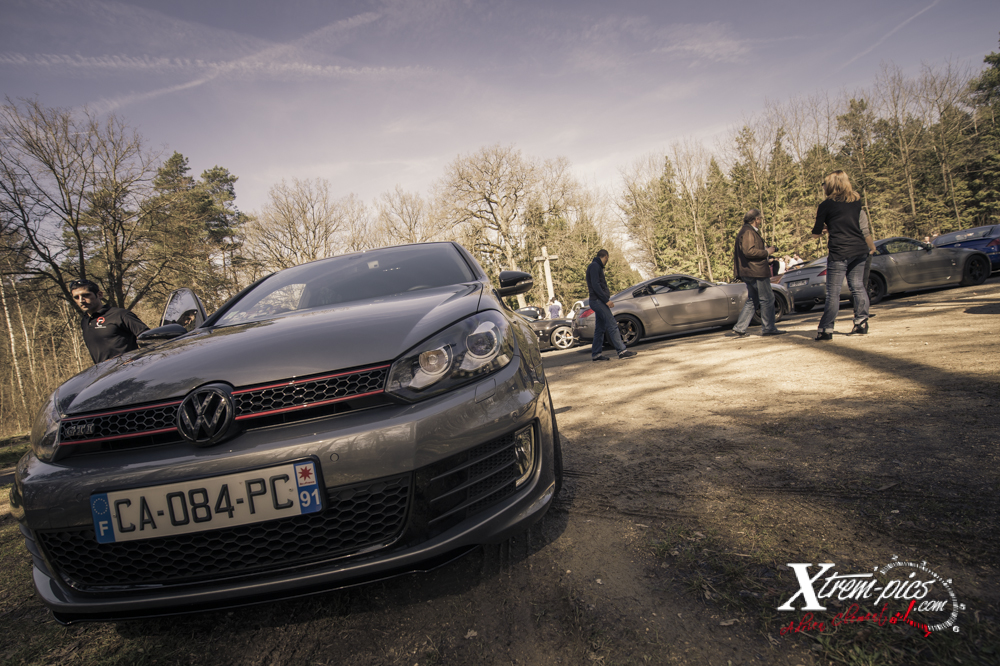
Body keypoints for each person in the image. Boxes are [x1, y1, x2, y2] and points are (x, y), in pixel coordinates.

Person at [811, 171, 877, 340]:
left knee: (833, 292)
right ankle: (861, 322)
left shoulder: (826, 205)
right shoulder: (855, 201)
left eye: (825, 184)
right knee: (858, 286)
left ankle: (826, 329)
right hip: (859, 249)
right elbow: (854, 224)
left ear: (831, 185)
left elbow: (816, 233)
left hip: (840, 251)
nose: (823, 187)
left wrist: (825, 230)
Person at [731, 210, 785, 337]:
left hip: (749, 271)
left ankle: (740, 327)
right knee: (768, 298)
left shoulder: (745, 231)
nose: (761, 221)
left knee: (753, 299)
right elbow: (749, 251)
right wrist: (767, 252)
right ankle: (769, 328)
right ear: (756, 219)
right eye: (760, 218)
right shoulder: (748, 232)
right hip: (756, 271)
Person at [70, 279, 149, 364]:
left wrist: (138, 359)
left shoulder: (120, 315)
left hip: (130, 369)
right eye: (76, 297)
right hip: (104, 371)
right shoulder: (85, 321)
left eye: (86, 295)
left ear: (99, 294)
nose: (81, 300)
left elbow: (150, 340)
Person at [586, 249, 637, 361]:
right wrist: (606, 300)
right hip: (598, 301)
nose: (606, 262)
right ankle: (622, 351)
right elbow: (596, 285)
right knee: (612, 324)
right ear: (605, 257)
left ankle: (596, 354)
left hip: (597, 301)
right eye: (607, 259)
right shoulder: (595, 266)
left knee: (600, 328)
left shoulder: (595, 266)